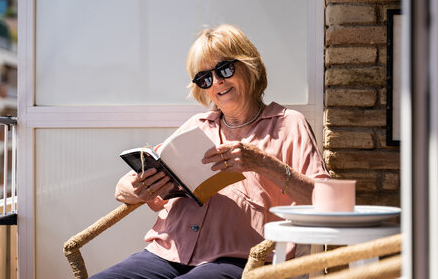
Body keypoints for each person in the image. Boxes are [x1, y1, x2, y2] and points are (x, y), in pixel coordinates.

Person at [91, 24, 329, 279]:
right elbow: (122, 189)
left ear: (249, 66)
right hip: (167, 253)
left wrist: (262, 163)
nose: (217, 82)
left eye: (224, 69)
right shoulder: (197, 126)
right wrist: (139, 187)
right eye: (205, 78)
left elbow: (326, 201)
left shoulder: (287, 123)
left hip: (239, 258)